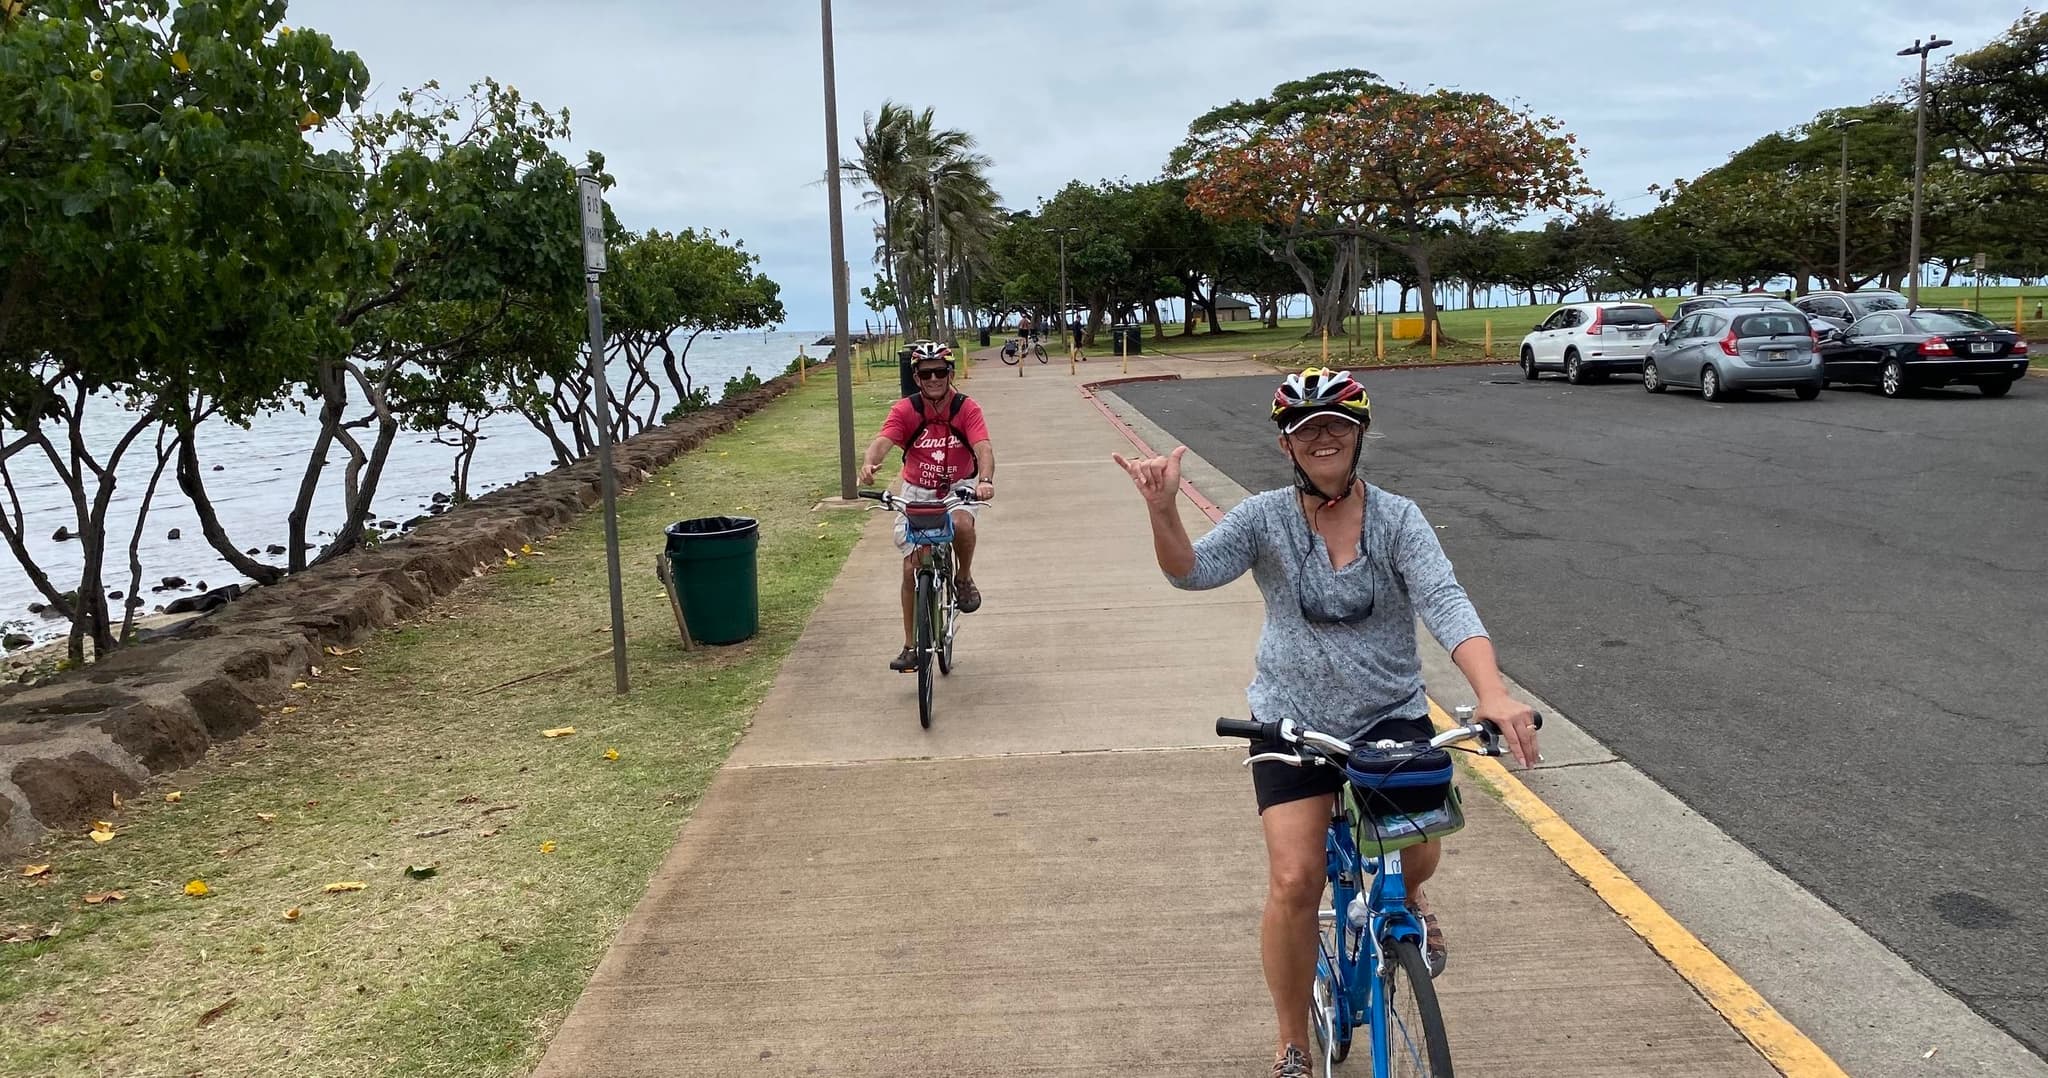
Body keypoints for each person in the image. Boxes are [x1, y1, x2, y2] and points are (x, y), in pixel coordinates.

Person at [1111, 368, 1539, 1078]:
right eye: (1307, 430)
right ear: (1288, 446)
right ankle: (1292, 1042)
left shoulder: (1398, 519)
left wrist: (1491, 692)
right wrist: (1163, 510)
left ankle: (1410, 896)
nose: (1324, 438)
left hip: (1389, 715)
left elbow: (1445, 601)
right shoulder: (1264, 518)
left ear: (1360, 434)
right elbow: (1191, 570)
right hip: (1292, 724)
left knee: (1417, 848)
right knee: (1295, 878)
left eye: (1337, 425)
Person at [859, 341, 997, 672]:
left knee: (962, 524)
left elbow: (983, 448)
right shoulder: (906, 410)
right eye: (926, 374)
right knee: (910, 568)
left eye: (939, 372)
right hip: (916, 492)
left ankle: (963, 577)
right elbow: (883, 442)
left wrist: (985, 481)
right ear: (916, 378)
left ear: (950, 373)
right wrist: (869, 464)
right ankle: (911, 646)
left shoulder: (966, 408)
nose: (933, 379)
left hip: (957, 488)